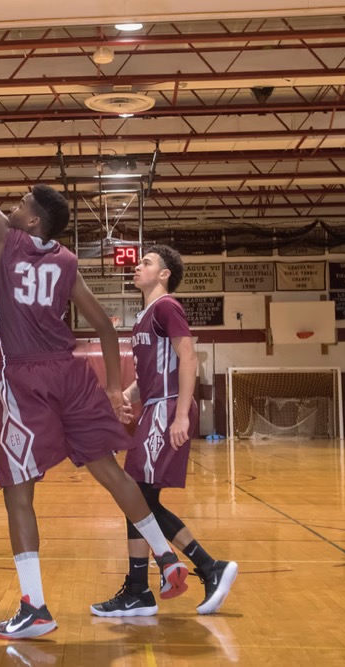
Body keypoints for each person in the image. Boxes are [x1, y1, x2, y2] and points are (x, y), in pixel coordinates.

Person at [0, 72, 189, 640]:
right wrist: (112, 387)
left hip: (27, 379)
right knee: (109, 470)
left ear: (30, 220)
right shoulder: (64, 261)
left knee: (18, 491)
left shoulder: (5, 240)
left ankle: (34, 607)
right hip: (74, 375)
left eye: (20, 203)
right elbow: (107, 328)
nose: (11, 205)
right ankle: (166, 557)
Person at [90, 246, 238, 618]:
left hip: (168, 407)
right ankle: (161, 582)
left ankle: (195, 571)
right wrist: (124, 396)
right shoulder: (144, 317)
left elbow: (187, 356)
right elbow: (147, 377)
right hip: (155, 406)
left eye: (147, 262)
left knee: (135, 495)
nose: (138, 266)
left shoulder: (167, 307)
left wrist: (183, 415)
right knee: (140, 499)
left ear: (165, 274)